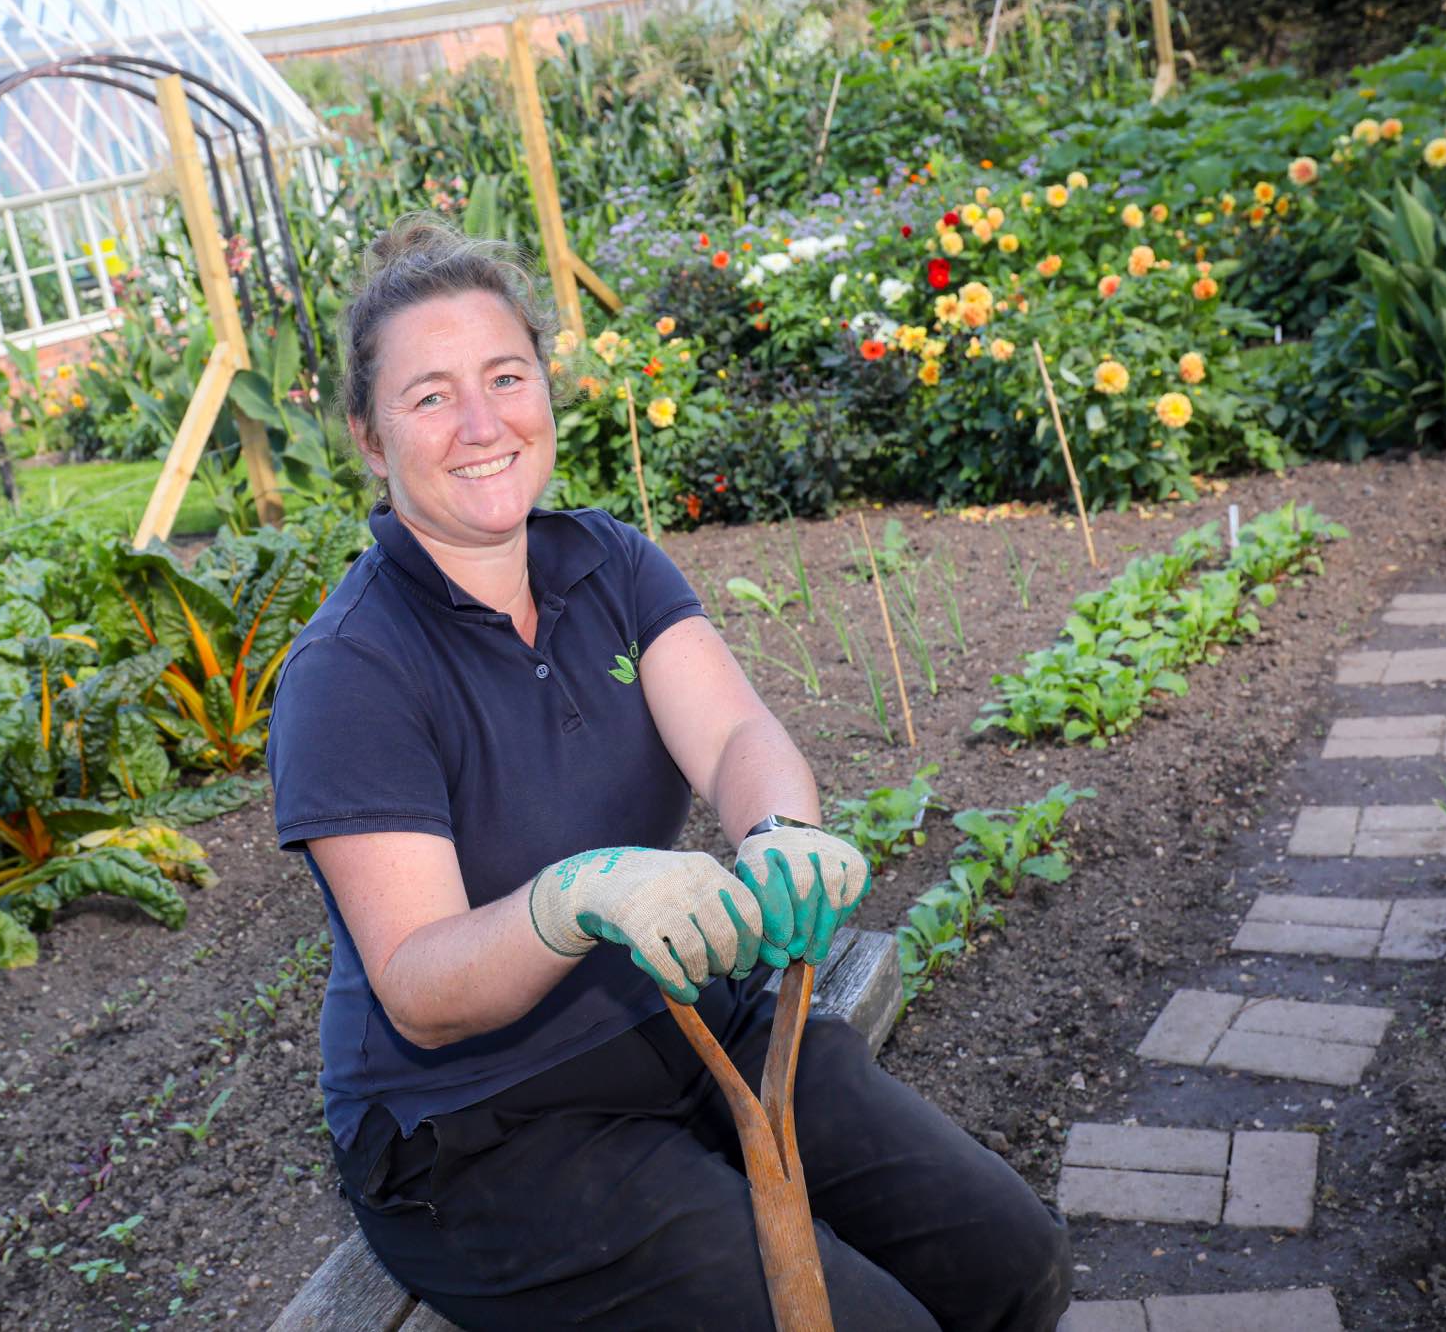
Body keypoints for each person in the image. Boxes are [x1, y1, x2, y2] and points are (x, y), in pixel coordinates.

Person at [266, 215, 1071, 1331]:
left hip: (691, 1022)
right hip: (486, 1130)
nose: (482, 423)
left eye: (505, 376)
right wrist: (568, 899)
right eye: (430, 395)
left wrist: (779, 829)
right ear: (367, 436)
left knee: (1011, 1256)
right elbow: (419, 982)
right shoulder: (349, 669)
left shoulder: (608, 562)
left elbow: (736, 735)